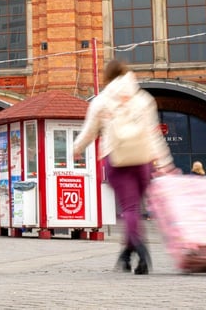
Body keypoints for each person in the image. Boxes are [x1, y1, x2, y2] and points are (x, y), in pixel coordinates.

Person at [73, 60, 174, 275]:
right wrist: (165, 162)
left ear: (108, 76)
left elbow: (89, 131)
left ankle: (141, 250)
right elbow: (154, 134)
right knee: (135, 209)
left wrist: (76, 149)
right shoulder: (143, 99)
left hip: (117, 158)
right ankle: (126, 254)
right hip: (143, 159)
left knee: (129, 209)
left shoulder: (102, 101)